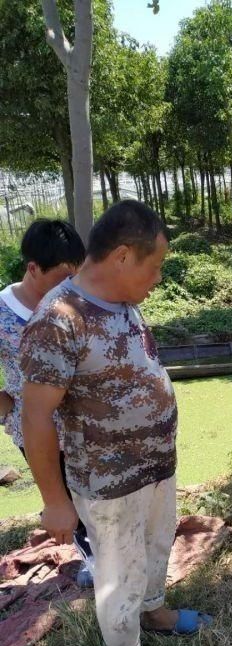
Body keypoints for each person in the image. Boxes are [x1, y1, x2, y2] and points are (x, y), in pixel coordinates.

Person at [20, 200, 211, 646]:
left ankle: (154, 611)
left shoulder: (123, 300)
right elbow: (35, 417)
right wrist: (54, 501)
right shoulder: (58, 320)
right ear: (123, 256)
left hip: (155, 467)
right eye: (156, 266)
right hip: (108, 483)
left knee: (156, 547)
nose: (159, 278)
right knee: (118, 575)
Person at [0, 219, 93, 586]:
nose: (70, 284)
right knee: (63, 497)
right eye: (63, 277)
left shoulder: (76, 303)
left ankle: (111, 555)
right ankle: (92, 561)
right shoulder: (3, 313)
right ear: (33, 268)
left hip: (85, 428)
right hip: (37, 434)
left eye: (76, 276)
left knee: (95, 495)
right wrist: (8, 412)